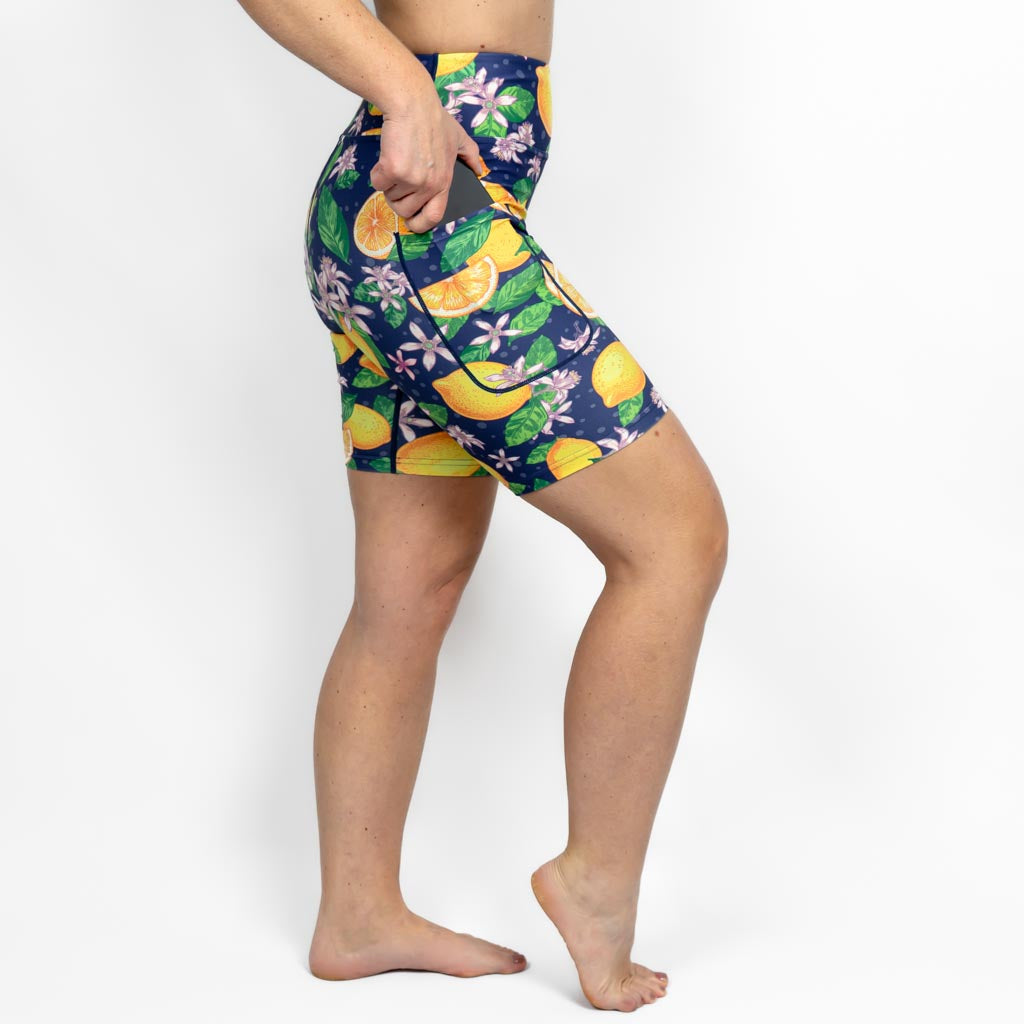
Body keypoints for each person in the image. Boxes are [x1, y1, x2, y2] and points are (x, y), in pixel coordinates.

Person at [236, 0, 728, 1012]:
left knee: (409, 589)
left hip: (404, 215)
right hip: (426, 215)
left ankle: (359, 915)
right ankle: (593, 884)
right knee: (676, 540)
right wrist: (401, 84)